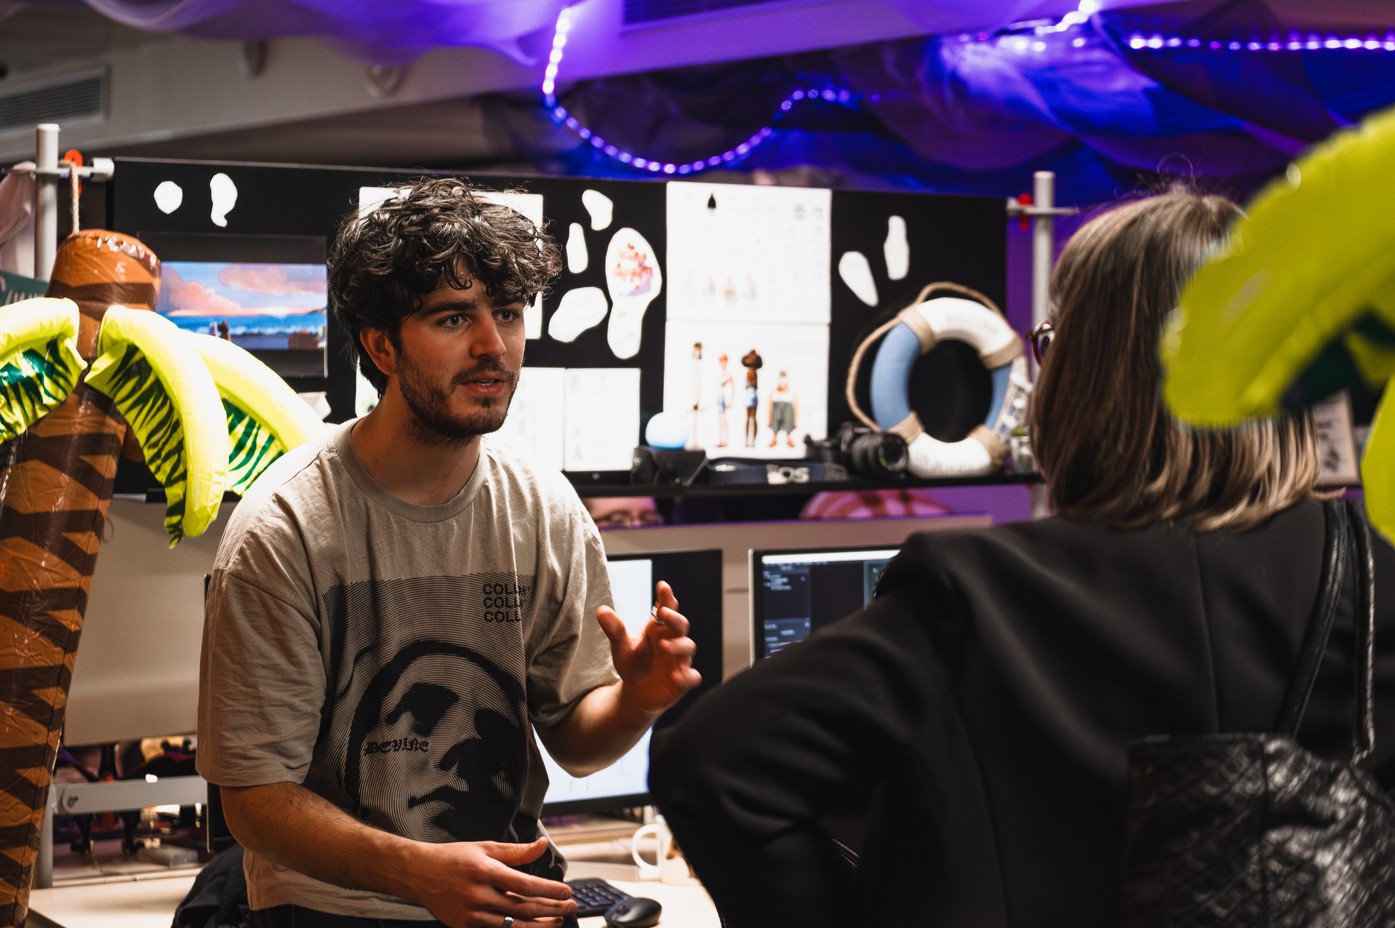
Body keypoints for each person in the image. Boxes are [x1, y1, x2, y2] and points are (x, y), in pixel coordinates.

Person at [647, 188, 1395, 928]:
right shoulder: (1375, 582)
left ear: (1085, 376)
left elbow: (711, 766)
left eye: (1048, 341)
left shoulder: (976, 592)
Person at [197, 177, 700, 928]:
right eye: (453, 318)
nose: (492, 346)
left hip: (505, 897)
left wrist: (637, 699)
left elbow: (576, 743)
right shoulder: (287, 531)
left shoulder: (541, 507)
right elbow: (253, 802)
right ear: (380, 345)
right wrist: (417, 874)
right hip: (330, 911)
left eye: (507, 313)